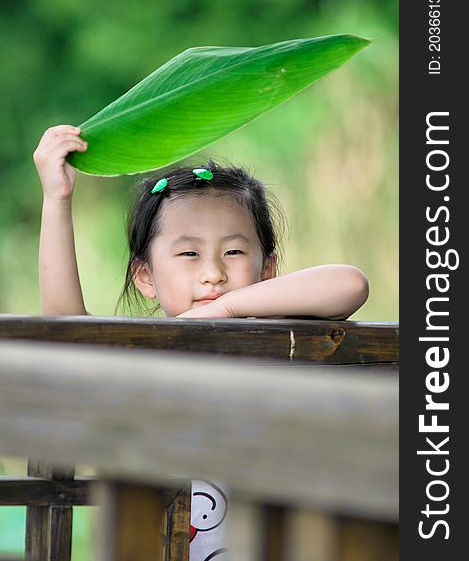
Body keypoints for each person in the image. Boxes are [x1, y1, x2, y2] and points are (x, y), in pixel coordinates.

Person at [33, 124, 369, 560]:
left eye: (233, 252)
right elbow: (64, 328)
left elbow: (349, 284)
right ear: (146, 276)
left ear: (267, 270)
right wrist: (57, 201)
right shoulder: (143, 351)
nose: (213, 273)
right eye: (189, 253)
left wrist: (226, 310)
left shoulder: (278, 342)